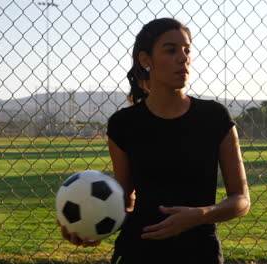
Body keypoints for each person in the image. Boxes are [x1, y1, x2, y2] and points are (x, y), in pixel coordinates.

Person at [58, 17, 250, 264]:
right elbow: (125, 200)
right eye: (171, 50)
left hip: (199, 251)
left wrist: (200, 215)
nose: (183, 58)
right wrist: (93, 227)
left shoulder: (214, 117)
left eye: (187, 50)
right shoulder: (123, 124)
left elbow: (241, 200)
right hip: (139, 250)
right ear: (145, 60)